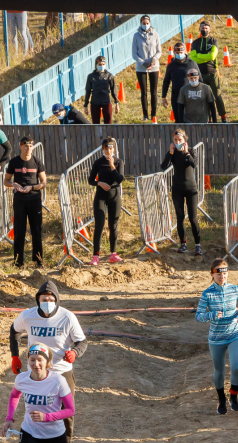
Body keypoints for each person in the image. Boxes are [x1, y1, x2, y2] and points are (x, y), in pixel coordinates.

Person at [8, 280, 87, 443]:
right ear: (38, 300)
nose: (47, 302)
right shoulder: (28, 316)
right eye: (44, 299)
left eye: (51, 299)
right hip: (36, 372)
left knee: (65, 414)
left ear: (57, 300)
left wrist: (74, 352)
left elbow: (82, 342)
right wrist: (14, 356)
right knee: (36, 410)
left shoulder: (67, 317)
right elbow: (14, 331)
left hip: (61, 371)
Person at [3, 344, 76, 443]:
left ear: (47, 362)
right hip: (30, 435)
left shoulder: (58, 380)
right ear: (28, 360)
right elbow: (14, 396)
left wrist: (46, 417)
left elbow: (70, 410)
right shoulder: (22, 379)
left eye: (40, 360)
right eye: (32, 359)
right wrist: (9, 418)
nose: (36, 364)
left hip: (55, 438)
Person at [195, 259, 238, 415]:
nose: (222, 277)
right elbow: (198, 316)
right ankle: (221, 399)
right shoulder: (207, 294)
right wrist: (211, 315)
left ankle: (234, 397)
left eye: (225, 273)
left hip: (235, 334)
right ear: (212, 274)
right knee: (219, 372)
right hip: (216, 338)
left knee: (236, 368)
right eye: (218, 274)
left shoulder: (235, 289)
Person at [5, 135, 47, 268]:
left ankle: (38, 261)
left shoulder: (37, 161)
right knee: (19, 231)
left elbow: (44, 182)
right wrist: (14, 185)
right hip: (19, 201)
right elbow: (6, 181)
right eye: (26, 146)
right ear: (20, 146)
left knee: (36, 230)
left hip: (34, 199)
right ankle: (18, 262)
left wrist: (32, 187)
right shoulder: (14, 162)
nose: (28, 148)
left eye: (30, 146)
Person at [162, 129, 203, 255]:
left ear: (185, 140)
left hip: (191, 189)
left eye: (180, 140)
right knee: (180, 217)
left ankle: (197, 245)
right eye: (175, 140)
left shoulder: (190, 151)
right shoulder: (172, 153)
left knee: (193, 217)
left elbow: (194, 164)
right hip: (177, 189)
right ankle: (183, 243)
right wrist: (170, 152)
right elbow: (163, 166)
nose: (177, 142)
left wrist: (186, 153)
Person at [87, 137, 124, 265]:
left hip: (114, 196)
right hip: (101, 196)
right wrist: (99, 183)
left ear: (114, 149)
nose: (109, 151)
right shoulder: (98, 162)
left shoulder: (119, 161)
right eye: (106, 148)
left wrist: (112, 166)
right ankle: (95, 255)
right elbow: (90, 180)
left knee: (113, 225)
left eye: (111, 148)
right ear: (103, 149)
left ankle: (113, 253)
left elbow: (120, 179)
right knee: (99, 225)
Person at [190, 21, 226, 123]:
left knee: (217, 95)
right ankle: (208, 118)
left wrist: (199, 56)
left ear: (209, 29)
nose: (204, 30)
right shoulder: (195, 42)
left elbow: (212, 56)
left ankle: (223, 117)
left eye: (206, 28)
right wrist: (205, 57)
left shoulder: (214, 41)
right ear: (199, 29)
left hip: (212, 72)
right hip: (200, 74)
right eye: (202, 28)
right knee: (204, 97)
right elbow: (193, 58)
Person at [131, 15, 161, 122]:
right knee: (143, 91)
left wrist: (154, 60)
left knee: (153, 91)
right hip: (141, 67)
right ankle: (145, 114)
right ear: (140, 23)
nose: (145, 24)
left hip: (154, 66)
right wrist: (142, 62)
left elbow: (159, 51)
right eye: (144, 23)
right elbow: (134, 53)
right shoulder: (136, 36)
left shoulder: (155, 34)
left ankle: (154, 114)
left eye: (147, 23)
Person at [162, 42, 199, 124]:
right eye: (177, 53)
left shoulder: (192, 64)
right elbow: (166, 81)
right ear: (174, 53)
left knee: (190, 119)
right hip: (176, 96)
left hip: (190, 95)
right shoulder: (171, 65)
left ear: (185, 51)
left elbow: (200, 79)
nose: (179, 54)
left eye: (181, 52)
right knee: (178, 120)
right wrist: (163, 97)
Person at [83, 56, 119, 124]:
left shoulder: (109, 76)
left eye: (103, 64)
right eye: (99, 64)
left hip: (106, 101)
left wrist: (117, 103)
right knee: (95, 123)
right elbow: (88, 91)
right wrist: (85, 105)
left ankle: (107, 135)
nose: (101, 66)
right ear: (96, 65)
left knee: (108, 123)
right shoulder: (91, 76)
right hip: (95, 102)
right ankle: (97, 135)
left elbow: (113, 90)